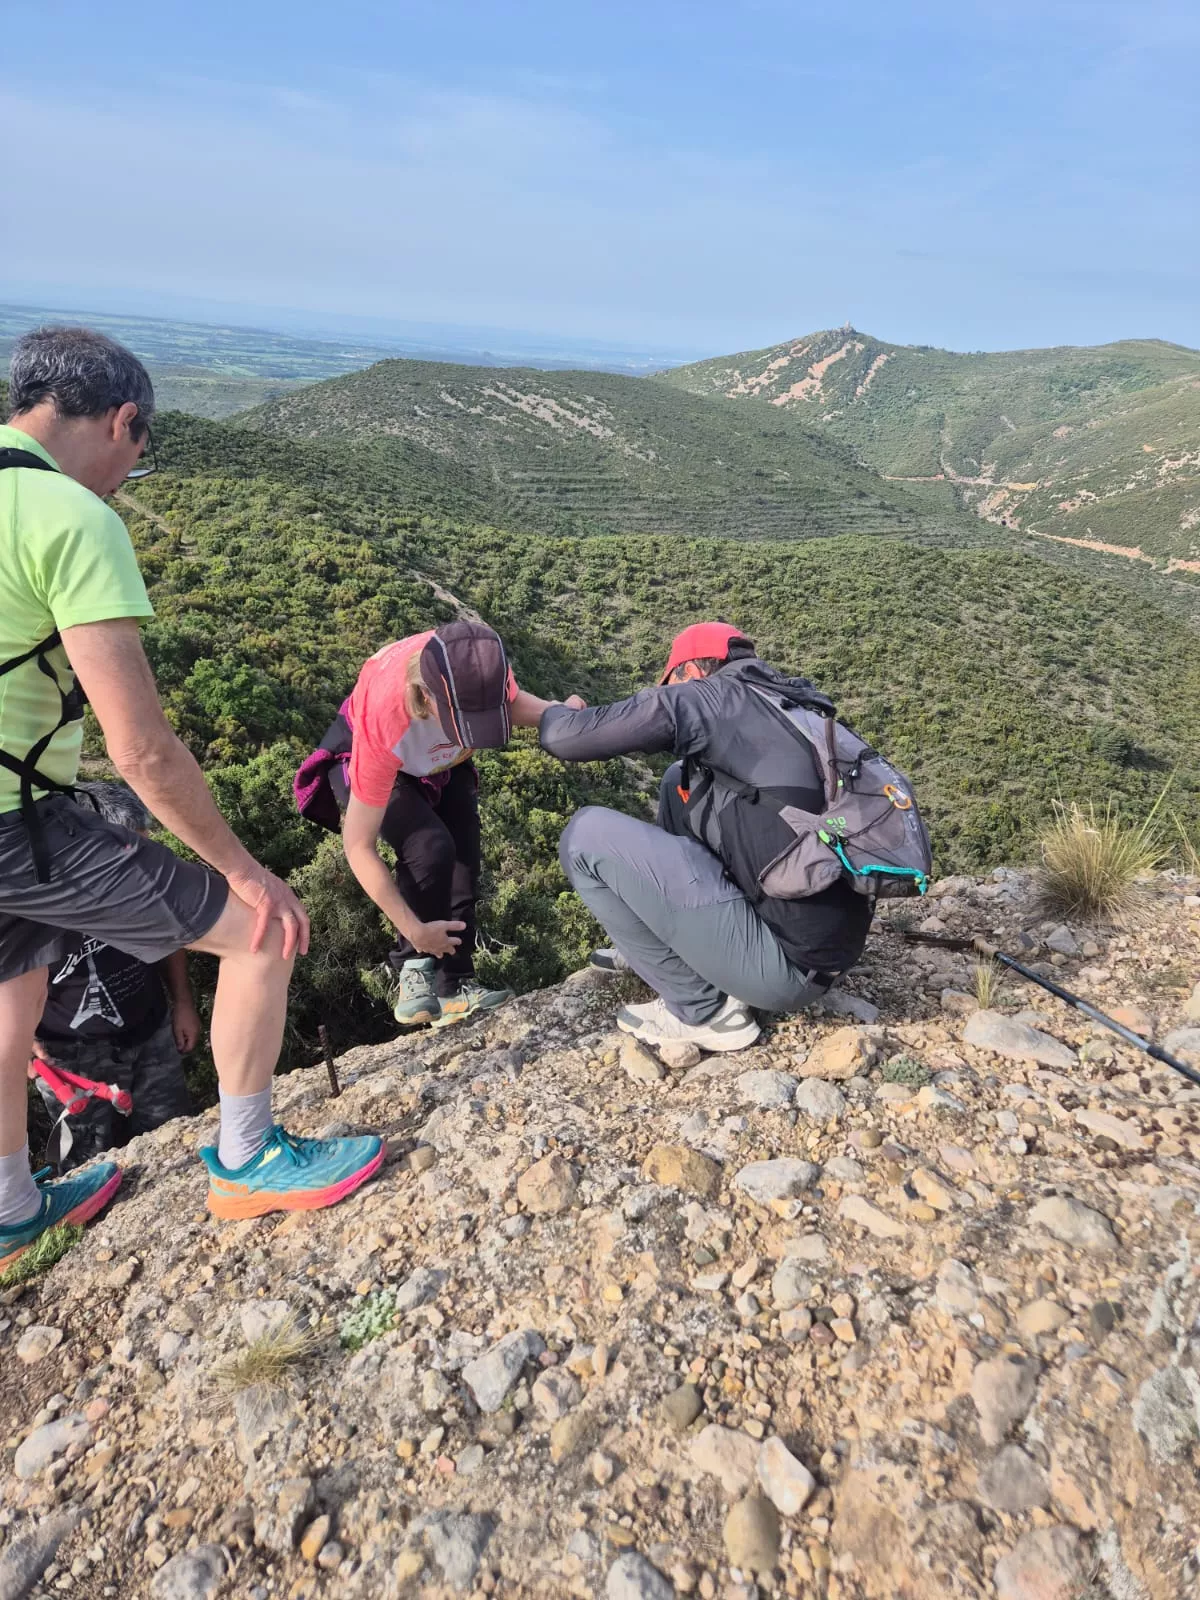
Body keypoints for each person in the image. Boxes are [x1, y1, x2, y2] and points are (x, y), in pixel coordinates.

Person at [0, 327, 382, 1272]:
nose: (128, 474)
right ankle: (249, 1160)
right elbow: (142, 749)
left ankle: (11, 1207)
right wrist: (247, 873)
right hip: (19, 821)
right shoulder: (72, 519)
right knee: (260, 932)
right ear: (125, 421)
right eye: (138, 450)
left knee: (12, 997)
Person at [540, 622, 873, 1052]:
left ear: (691, 673)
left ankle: (702, 1009)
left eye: (670, 683)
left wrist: (553, 712)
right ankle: (668, 940)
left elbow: (566, 739)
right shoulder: (786, 700)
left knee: (583, 836)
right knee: (678, 782)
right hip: (828, 950)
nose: (668, 692)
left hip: (785, 970)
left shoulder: (712, 697)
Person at [296, 619, 582, 1027]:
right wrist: (414, 930)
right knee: (429, 847)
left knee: (464, 859)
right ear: (425, 698)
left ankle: (454, 989)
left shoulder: (481, 669)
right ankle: (413, 972)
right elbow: (357, 846)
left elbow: (517, 706)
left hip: (442, 760)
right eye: (463, 719)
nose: (473, 730)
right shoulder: (386, 719)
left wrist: (563, 715)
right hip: (386, 755)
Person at [30, 783, 201, 1170]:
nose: (139, 864)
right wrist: (19, 1042)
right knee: (87, 1165)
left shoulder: (144, 881)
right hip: (68, 1054)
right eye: (128, 851)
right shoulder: (35, 898)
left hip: (150, 1033)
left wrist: (184, 1004)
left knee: (173, 1146)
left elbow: (169, 938)